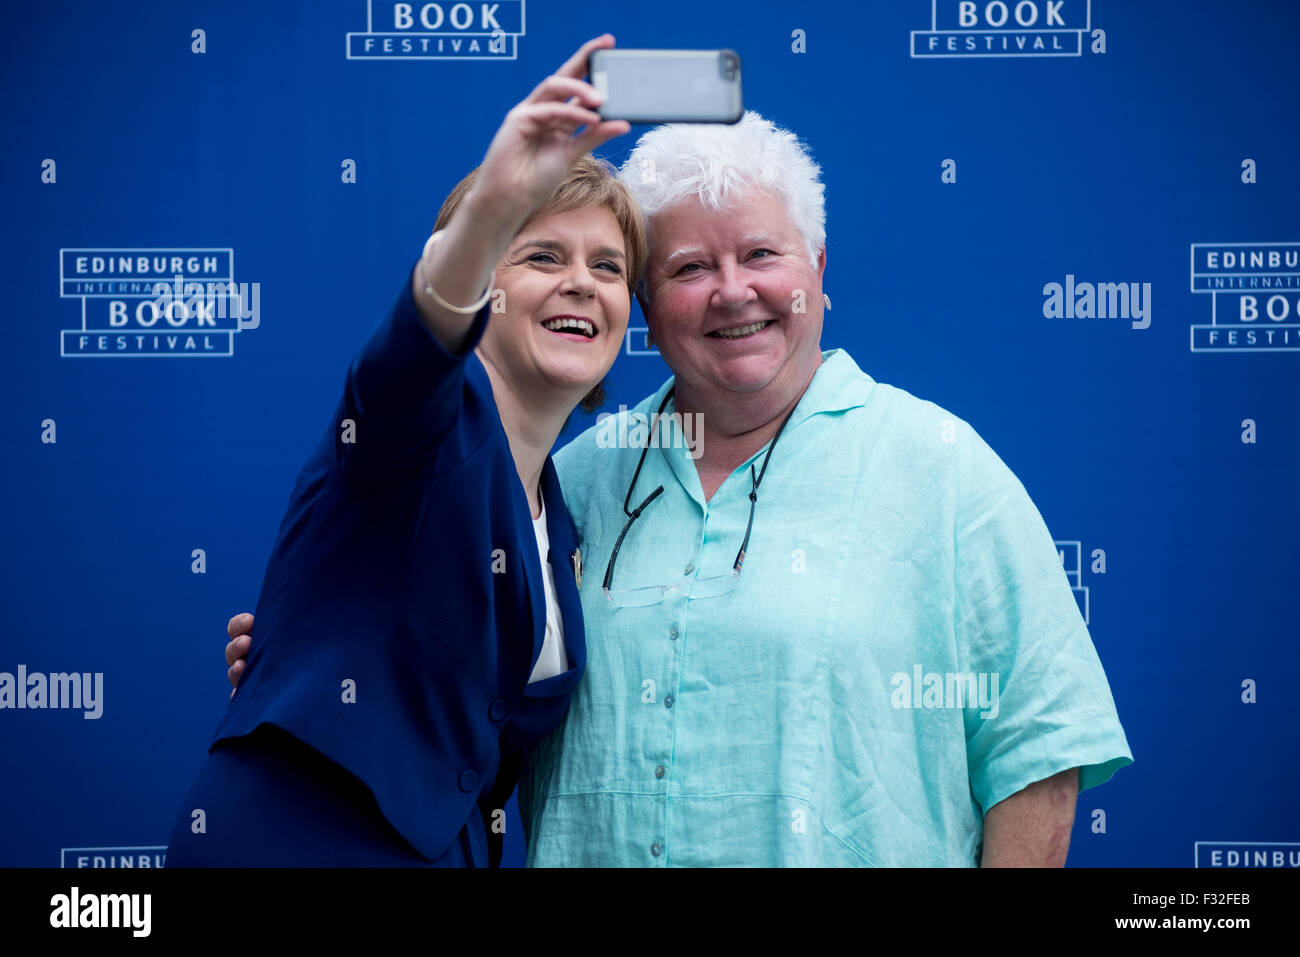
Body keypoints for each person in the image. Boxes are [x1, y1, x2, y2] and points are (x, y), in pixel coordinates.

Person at [227, 112, 1132, 867]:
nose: (733, 292)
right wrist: (326, 650)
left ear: (818, 273)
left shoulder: (942, 467)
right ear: (651, 310)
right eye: (690, 267)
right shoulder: (573, 479)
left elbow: (1038, 747)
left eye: (763, 255)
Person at [167, 35, 645, 866]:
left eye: (609, 267)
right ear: (484, 284)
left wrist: (308, 643)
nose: (583, 282)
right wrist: (493, 207)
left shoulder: (560, 516)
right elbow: (405, 358)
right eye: (542, 255)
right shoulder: (428, 414)